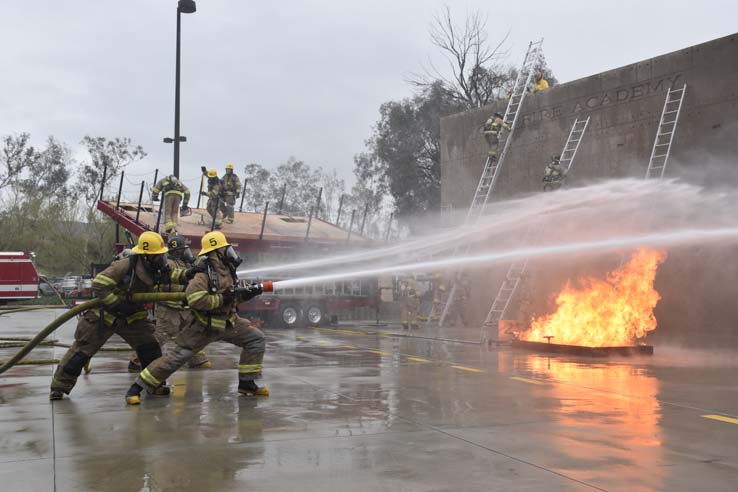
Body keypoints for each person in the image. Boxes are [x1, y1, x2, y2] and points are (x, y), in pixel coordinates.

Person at [125, 231, 269, 405]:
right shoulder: (203, 274)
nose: (229, 251)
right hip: (202, 327)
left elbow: (232, 298)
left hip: (229, 322)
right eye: (224, 248)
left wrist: (247, 294)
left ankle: (247, 383)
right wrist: (224, 298)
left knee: (256, 339)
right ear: (216, 253)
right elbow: (194, 299)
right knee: (175, 358)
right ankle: (136, 388)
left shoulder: (228, 270)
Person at [49, 232, 186, 400]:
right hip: (105, 315)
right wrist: (116, 303)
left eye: (161, 255)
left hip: (132, 317)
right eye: (157, 256)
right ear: (146, 256)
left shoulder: (155, 267)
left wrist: (188, 274)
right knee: (81, 352)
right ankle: (59, 387)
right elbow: (99, 284)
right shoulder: (124, 266)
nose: (161, 259)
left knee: (150, 349)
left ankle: (155, 384)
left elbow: (171, 276)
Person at [127, 235, 211, 372]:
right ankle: (136, 361)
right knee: (160, 336)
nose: (187, 252)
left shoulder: (186, 264)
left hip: (184, 308)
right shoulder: (169, 264)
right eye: (184, 249)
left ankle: (196, 360)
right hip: (169, 309)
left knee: (193, 333)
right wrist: (185, 288)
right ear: (177, 251)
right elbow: (164, 285)